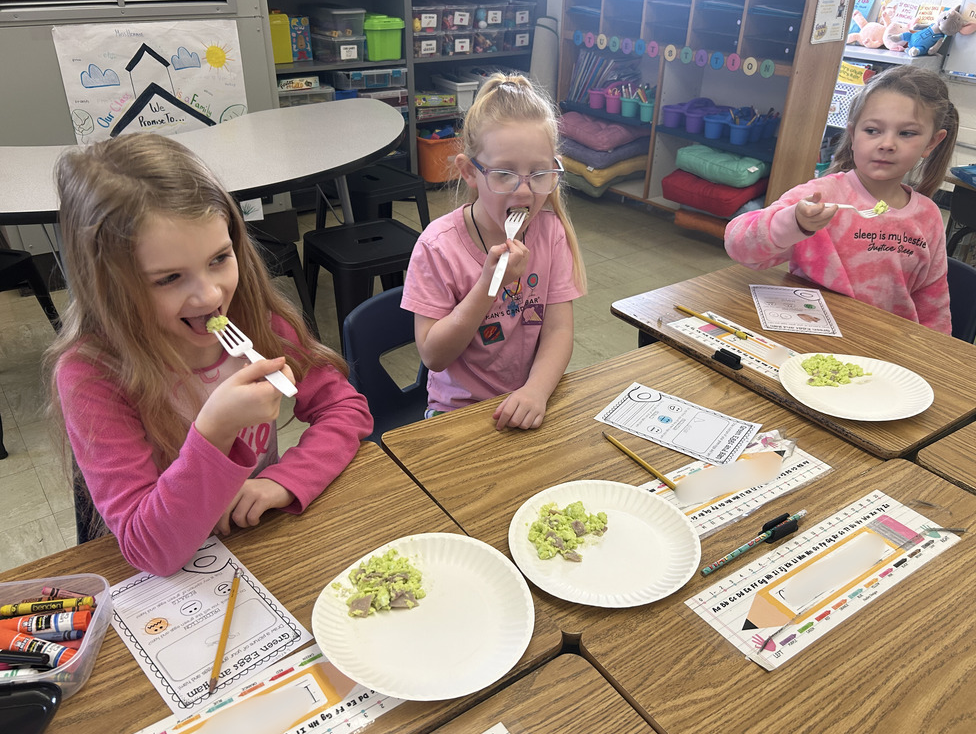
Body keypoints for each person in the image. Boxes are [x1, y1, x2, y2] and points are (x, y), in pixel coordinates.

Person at [46, 133, 372, 576]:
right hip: (172, 577)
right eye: (168, 278)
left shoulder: (255, 322)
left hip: (259, 545)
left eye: (220, 258)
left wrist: (284, 480)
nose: (210, 295)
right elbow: (150, 550)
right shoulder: (92, 376)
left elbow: (345, 408)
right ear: (110, 289)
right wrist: (216, 430)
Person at [401, 74, 587, 430]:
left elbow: (558, 332)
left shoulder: (550, 233)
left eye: (538, 173)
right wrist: (491, 281)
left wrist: (535, 390)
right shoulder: (437, 247)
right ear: (470, 172)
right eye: (504, 174)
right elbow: (433, 355)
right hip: (456, 411)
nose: (525, 191)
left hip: (531, 397)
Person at [725, 65, 958, 334]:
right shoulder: (820, 198)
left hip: (886, 349)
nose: (887, 144)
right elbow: (739, 245)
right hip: (810, 334)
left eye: (906, 133)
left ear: (932, 143)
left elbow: (933, 299)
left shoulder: (927, 216)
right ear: (853, 135)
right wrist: (795, 223)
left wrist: (933, 355)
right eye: (872, 130)